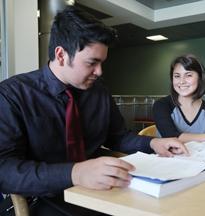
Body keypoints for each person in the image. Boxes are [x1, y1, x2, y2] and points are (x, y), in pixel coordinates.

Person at [0, 6, 187, 216]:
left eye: (102, 62)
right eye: (92, 63)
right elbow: (5, 170)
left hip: (100, 190)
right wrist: (75, 173)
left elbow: (118, 137)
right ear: (61, 55)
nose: (99, 72)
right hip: (43, 198)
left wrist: (153, 143)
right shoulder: (12, 95)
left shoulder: (98, 92)